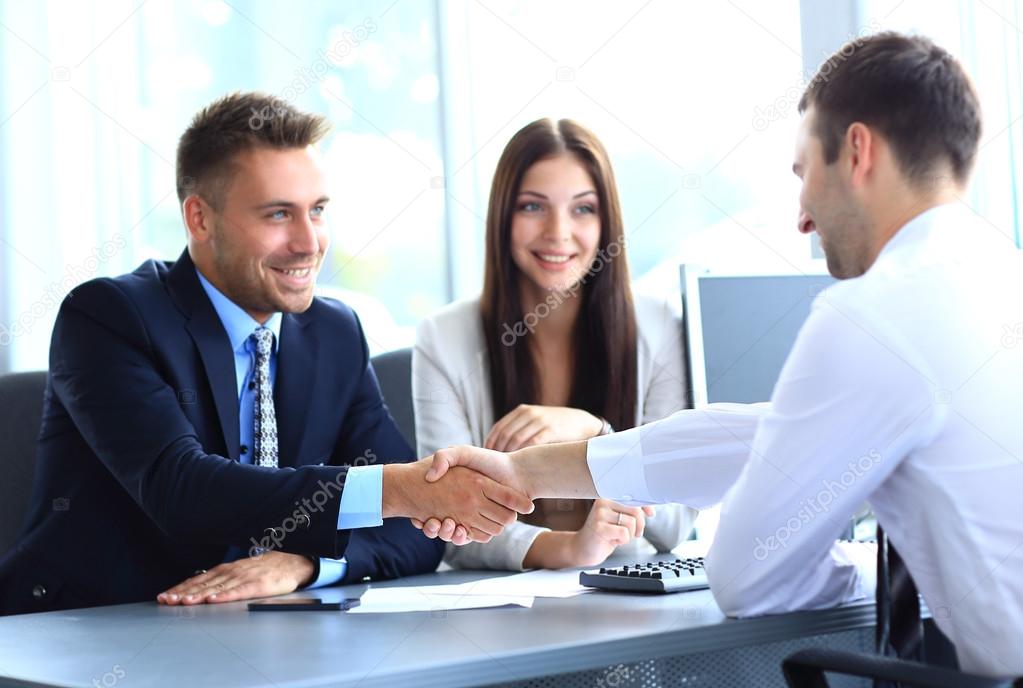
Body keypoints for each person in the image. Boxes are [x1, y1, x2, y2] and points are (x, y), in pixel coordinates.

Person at [417, 33, 1023, 678]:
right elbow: (762, 435)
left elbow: (748, 577)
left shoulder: (877, 313)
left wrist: (867, 564)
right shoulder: (992, 279)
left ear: (857, 151)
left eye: (803, 173)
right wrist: (527, 475)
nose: (802, 219)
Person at [0, 92, 530, 615]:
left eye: (317, 210)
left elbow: (415, 535)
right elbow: (182, 489)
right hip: (87, 632)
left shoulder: (335, 333)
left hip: (263, 636)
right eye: (278, 214)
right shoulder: (108, 316)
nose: (308, 242)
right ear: (199, 219)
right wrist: (403, 489)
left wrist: (304, 563)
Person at [413, 118, 694, 571]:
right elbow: (450, 523)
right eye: (532, 207)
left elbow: (676, 522)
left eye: (583, 209)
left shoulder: (660, 326)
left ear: (607, 222)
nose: (558, 232)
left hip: (633, 599)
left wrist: (594, 432)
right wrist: (569, 550)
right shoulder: (443, 337)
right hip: (498, 610)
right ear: (504, 217)